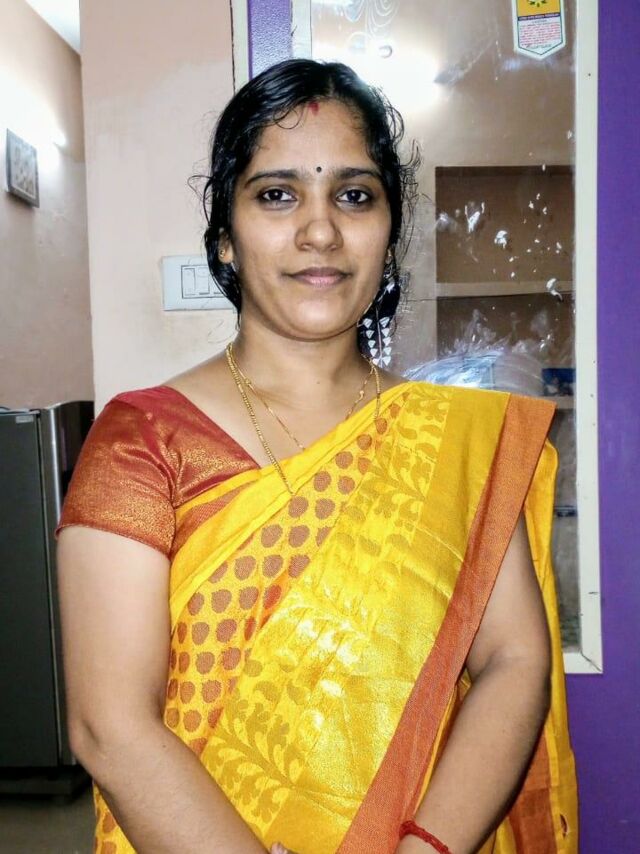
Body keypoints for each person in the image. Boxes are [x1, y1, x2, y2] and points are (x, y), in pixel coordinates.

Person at [56, 59, 577, 854]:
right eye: (277, 194)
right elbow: (110, 725)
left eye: (355, 195)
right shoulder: (142, 441)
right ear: (225, 238)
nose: (321, 230)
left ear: (388, 233)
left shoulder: (453, 439)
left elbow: (514, 659)